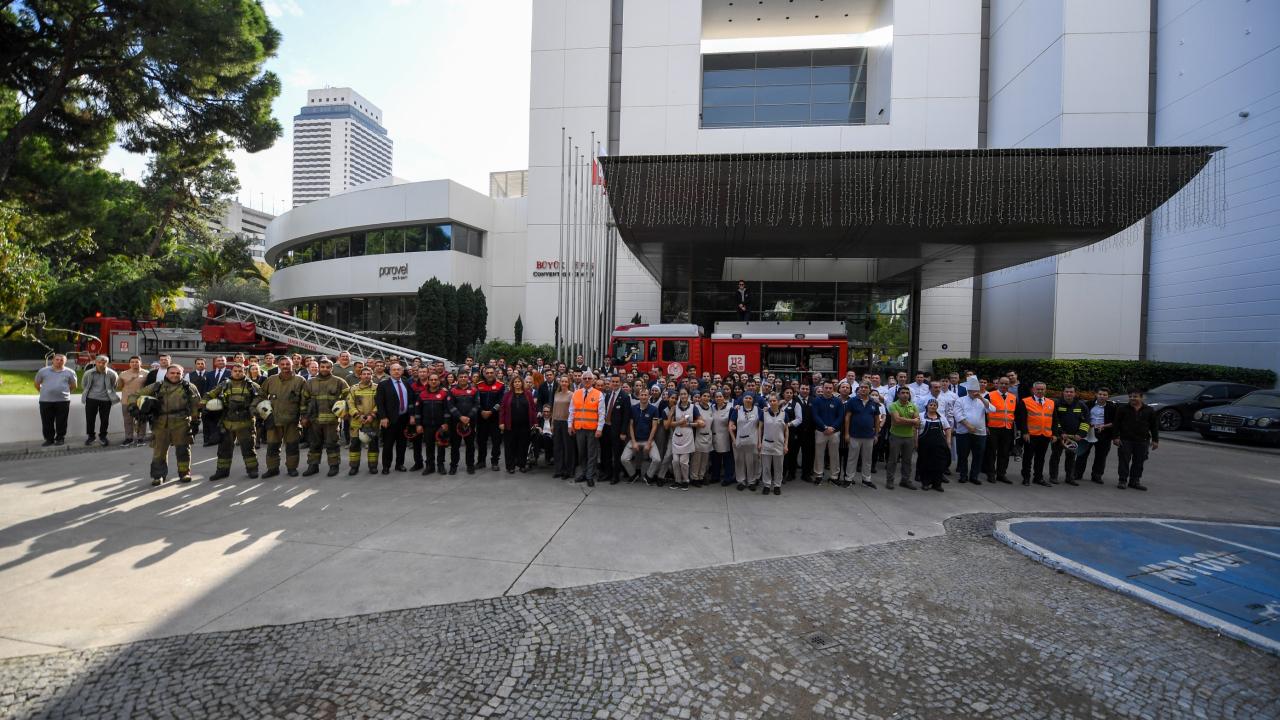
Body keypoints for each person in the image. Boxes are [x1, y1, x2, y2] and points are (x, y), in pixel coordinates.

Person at [136, 364, 201, 485]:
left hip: (181, 422)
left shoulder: (189, 387)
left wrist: (195, 421)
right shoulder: (157, 386)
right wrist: (136, 408)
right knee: (159, 451)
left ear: (182, 374)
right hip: (160, 423)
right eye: (172, 373)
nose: (175, 375)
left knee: (183, 450)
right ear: (166, 373)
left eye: (178, 373)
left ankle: (184, 473)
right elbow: (136, 396)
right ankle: (158, 476)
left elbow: (196, 405)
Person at [205, 362, 261, 481]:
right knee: (224, 449)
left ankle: (252, 470)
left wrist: (253, 407)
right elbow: (210, 395)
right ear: (232, 372)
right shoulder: (224, 384)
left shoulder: (252, 385)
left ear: (244, 372)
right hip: (227, 422)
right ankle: (222, 471)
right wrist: (204, 405)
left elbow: (261, 398)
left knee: (248, 448)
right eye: (235, 371)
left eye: (240, 371)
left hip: (245, 422)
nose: (237, 373)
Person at [260, 357, 308, 477]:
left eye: (288, 364)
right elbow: (260, 396)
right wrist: (265, 413)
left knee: (292, 446)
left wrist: (304, 416)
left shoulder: (300, 380)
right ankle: (272, 468)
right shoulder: (271, 380)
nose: (285, 366)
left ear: (292, 365)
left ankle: (292, 468)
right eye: (283, 364)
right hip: (273, 419)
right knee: (272, 446)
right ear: (278, 365)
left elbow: (305, 400)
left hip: (292, 420)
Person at [302, 358, 349, 477]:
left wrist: (344, 411)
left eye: (327, 367)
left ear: (331, 368)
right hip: (314, 420)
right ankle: (313, 466)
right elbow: (304, 401)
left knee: (332, 443)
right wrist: (304, 417)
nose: (325, 369)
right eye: (322, 367)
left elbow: (349, 398)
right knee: (314, 444)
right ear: (319, 368)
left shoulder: (339, 381)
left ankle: (334, 466)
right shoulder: (310, 382)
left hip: (331, 420)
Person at [1113, 389, 1158, 491]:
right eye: (1130, 396)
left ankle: (1135, 481)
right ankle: (1122, 480)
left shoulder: (1149, 410)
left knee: (1139, 462)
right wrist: (1115, 437)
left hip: (1142, 440)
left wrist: (1155, 440)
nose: (1132, 398)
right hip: (1125, 439)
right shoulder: (1122, 409)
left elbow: (1154, 426)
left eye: (1135, 396)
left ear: (1142, 398)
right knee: (1124, 461)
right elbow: (1116, 424)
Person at [952, 378, 994, 485]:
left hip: (980, 433)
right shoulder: (960, 400)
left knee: (978, 455)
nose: (974, 392)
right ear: (968, 390)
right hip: (963, 432)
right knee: (963, 455)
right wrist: (968, 425)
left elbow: (992, 409)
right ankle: (963, 475)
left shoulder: (983, 400)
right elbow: (958, 415)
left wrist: (982, 398)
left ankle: (974, 476)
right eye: (972, 390)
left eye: (976, 390)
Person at [375, 362, 415, 474]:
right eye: (394, 370)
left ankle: (399, 464)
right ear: (390, 371)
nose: (397, 371)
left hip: (404, 419)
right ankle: (386, 466)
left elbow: (411, 400)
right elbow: (379, 403)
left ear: (402, 371)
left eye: (399, 369)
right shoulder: (383, 385)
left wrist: (411, 415)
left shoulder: (407, 383)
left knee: (402, 444)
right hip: (389, 420)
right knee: (388, 444)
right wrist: (383, 417)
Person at [568, 371, 605, 487]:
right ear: (582, 380)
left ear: (593, 380)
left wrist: (599, 429)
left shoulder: (598, 394)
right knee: (582, 453)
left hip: (592, 429)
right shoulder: (576, 393)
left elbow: (602, 413)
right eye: (585, 378)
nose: (587, 380)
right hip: (579, 429)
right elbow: (571, 411)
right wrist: (570, 425)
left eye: (589, 378)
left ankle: (589, 476)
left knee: (592, 454)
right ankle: (584, 473)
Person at [1016, 382, 1056, 487]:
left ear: (1045, 390)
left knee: (1040, 458)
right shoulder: (1025, 401)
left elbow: (1055, 420)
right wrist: (1025, 432)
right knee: (1028, 457)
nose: (1040, 391)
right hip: (1031, 435)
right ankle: (1026, 478)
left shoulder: (1051, 402)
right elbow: (1022, 419)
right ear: (1033, 390)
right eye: (1038, 389)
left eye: (1042, 389)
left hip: (1045, 435)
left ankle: (1038, 478)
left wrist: (1054, 434)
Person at [342, 366, 381, 475]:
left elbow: (380, 404)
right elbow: (350, 403)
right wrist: (358, 416)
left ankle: (373, 466)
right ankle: (354, 467)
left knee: (373, 445)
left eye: (368, 374)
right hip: (356, 422)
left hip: (372, 422)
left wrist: (372, 416)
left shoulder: (377, 388)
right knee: (354, 445)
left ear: (372, 375)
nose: (366, 376)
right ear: (360, 375)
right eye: (364, 374)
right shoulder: (354, 388)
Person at [842, 383, 880, 489]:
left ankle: (866, 479)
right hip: (854, 435)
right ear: (859, 389)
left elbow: (877, 419)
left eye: (866, 388)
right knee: (852, 458)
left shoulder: (874, 402)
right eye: (861, 387)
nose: (863, 389)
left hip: (869, 436)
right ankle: (848, 479)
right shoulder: (852, 401)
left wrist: (876, 434)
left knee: (867, 459)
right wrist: (846, 433)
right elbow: (847, 417)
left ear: (869, 389)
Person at [1048, 385, 1089, 485]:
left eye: (1071, 392)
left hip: (1074, 437)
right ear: (1063, 392)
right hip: (1059, 436)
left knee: (1071, 458)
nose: (1069, 394)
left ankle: (1070, 478)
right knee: (1055, 456)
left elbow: (1085, 421)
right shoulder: (1056, 404)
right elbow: (1053, 421)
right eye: (1067, 391)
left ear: (1075, 393)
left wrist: (1081, 434)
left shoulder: (1081, 405)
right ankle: (1053, 477)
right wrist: (1061, 433)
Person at [34, 354, 78, 446]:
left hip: (63, 401)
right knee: (47, 421)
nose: (59, 361)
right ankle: (49, 439)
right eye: (57, 359)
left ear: (65, 362)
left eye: (61, 360)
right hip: (45, 401)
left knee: (61, 421)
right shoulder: (43, 371)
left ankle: (60, 438)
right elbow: (37, 384)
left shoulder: (70, 372)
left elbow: (74, 385)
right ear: (53, 361)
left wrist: (64, 392)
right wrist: (44, 392)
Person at [413, 371, 451, 476]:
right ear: (428, 381)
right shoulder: (422, 394)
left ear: (439, 381)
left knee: (441, 446)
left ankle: (440, 465)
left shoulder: (444, 394)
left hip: (441, 426)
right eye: (431, 380)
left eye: (435, 380)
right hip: (427, 425)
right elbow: (417, 411)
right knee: (429, 446)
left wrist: (446, 423)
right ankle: (430, 466)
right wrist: (418, 424)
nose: (433, 381)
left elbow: (447, 410)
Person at [621, 388, 662, 483]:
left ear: (649, 396)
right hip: (635, 440)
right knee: (623, 459)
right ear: (639, 396)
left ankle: (648, 476)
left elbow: (654, 427)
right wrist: (634, 442)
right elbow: (631, 425)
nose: (643, 397)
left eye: (645, 395)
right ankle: (633, 474)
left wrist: (648, 443)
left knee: (657, 460)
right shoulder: (633, 408)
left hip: (648, 440)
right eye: (642, 395)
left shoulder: (654, 409)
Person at [1076, 387, 1116, 485]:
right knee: (1082, 453)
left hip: (1104, 434)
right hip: (1087, 432)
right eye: (1100, 394)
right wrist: (1088, 425)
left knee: (1101, 456)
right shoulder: (1088, 404)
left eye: (1104, 395)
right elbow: (1081, 417)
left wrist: (1104, 426)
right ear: (1096, 395)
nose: (1102, 396)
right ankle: (1077, 473)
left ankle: (1097, 475)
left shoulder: (1112, 407)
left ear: (1108, 396)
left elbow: (1115, 422)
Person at [982, 376, 1017, 484]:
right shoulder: (990, 395)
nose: (1003, 385)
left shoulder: (1013, 397)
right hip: (993, 428)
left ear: (1009, 385)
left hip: (1007, 429)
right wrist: (986, 426)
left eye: (1006, 384)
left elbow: (1015, 414)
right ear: (997, 384)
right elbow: (983, 412)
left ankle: (1001, 474)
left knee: (1004, 453)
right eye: (1002, 383)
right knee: (991, 452)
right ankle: (991, 473)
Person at [886, 387, 920, 490]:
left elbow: (917, 423)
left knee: (907, 460)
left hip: (909, 437)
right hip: (896, 436)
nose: (905, 395)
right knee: (893, 460)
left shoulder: (913, 406)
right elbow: (896, 421)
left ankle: (905, 480)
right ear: (898, 394)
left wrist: (904, 420)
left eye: (907, 393)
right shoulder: (893, 405)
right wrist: (912, 421)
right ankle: (890, 481)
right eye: (903, 393)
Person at [499, 376, 536, 473]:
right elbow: (502, 409)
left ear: (522, 383)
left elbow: (532, 408)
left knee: (523, 445)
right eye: (515, 382)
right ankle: (510, 466)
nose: (517, 383)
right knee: (510, 446)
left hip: (525, 425)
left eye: (519, 382)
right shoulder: (507, 395)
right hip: (510, 425)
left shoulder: (528, 394)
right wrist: (501, 422)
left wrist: (535, 422)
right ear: (512, 384)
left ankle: (522, 464)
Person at [80, 354, 119, 446]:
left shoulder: (112, 374)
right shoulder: (88, 373)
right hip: (91, 399)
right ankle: (91, 436)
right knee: (90, 419)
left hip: (106, 400)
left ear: (107, 363)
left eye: (104, 362)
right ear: (95, 362)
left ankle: (103, 436)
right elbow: (84, 385)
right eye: (99, 362)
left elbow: (114, 385)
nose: (101, 364)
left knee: (105, 419)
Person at [666, 387, 698, 491]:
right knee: (675, 461)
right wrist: (679, 423)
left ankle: (685, 481)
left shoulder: (694, 407)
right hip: (677, 435)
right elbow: (669, 424)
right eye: (681, 394)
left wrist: (688, 423)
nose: (683, 396)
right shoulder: (674, 408)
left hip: (688, 435)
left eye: (685, 394)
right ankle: (677, 481)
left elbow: (700, 423)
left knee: (683, 462)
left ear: (688, 395)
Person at [810, 381, 843, 485]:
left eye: (830, 388)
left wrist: (833, 427)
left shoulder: (838, 401)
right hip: (821, 431)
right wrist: (824, 427)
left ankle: (834, 476)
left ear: (833, 389)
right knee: (819, 454)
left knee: (834, 455)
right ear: (822, 388)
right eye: (826, 388)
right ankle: (818, 474)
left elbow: (840, 416)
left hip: (834, 432)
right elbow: (815, 415)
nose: (828, 390)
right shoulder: (816, 401)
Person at [916, 399, 952, 492]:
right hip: (924, 445)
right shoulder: (921, 416)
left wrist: (948, 442)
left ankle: (937, 484)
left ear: (937, 407)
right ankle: (925, 483)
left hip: (939, 446)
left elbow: (948, 429)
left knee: (939, 465)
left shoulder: (942, 417)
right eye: (931, 405)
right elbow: (915, 429)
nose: (933, 406)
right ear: (927, 406)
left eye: (935, 405)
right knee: (925, 464)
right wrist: (915, 442)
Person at [730, 392, 762, 492]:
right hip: (740, 440)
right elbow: (730, 426)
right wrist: (734, 440)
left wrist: (759, 441)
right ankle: (741, 481)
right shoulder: (737, 410)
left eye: (750, 398)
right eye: (746, 398)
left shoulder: (758, 410)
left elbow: (761, 427)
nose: (748, 400)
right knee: (739, 461)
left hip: (753, 440)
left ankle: (752, 481)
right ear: (742, 399)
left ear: (753, 400)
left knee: (753, 461)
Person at [476, 367, 505, 472]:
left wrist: (491, 411)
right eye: (487, 373)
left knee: (496, 441)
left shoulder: (501, 385)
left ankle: (495, 462)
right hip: (481, 417)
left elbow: (501, 401)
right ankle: (481, 461)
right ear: (484, 374)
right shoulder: (479, 385)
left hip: (495, 418)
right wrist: (481, 411)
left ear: (495, 373)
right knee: (481, 441)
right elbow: (476, 401)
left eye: (491, 372)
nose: (489, 374)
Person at [760, 393, 788, 496]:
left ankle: (777, 485)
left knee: (778, 467)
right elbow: (760, 428)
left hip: (779, 444)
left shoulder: (784, 413)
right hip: (766, 443)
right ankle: (767, 485)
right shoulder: (764, 413)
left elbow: (786, 431)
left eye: (774, 400)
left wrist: (786, 445)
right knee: (766, 466)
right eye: (770, 401)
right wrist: (759, 442)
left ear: (778, 402)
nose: (772, 402)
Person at [117, 355, 148, 447]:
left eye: (137, 362)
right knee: (128, 420)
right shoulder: (123, 374)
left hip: (141, 401)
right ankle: (129, 438)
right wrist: (129, 381)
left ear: (140, 363)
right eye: (132, 362)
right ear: (129, 364)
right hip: (127, 401)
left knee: (141, 420)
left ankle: (141, 438)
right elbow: (119, 387)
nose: (134, 364)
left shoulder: (146, 373)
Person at [709, 390, 736, 487]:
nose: (718, 398)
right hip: (713, 436)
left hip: (725, 437)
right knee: (715, 458)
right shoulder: (711, 407)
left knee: (728, 459)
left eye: (720, 396)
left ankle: (728, 477)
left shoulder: (730, 408)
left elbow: (733, 423)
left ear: (724, 397)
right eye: (716, 397)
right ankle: (715, 476)